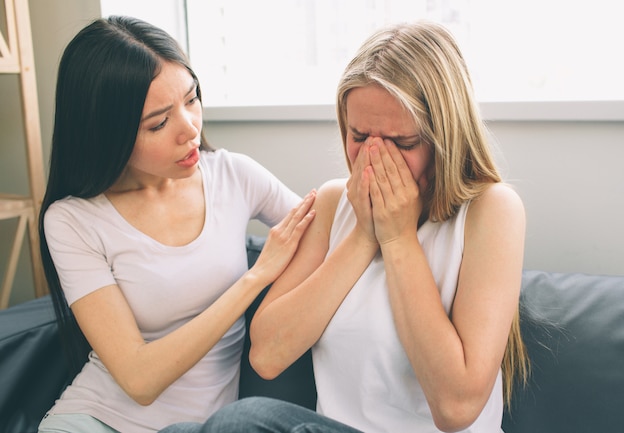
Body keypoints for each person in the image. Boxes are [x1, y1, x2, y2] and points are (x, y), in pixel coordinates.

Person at [177, 20, 530, 433]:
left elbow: (455, 408)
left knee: (243, 422)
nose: (374, 159)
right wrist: (364, 234)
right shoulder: (333, 204)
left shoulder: (493, 211)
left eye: (402, 143)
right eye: (359, 135)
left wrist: (398, 238)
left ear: (444, 138)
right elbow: (267, 356)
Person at [37, 15, 316, 433]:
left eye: (191, 99)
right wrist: (254, 279)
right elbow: (139, 379)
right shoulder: (73, 220)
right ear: (107, 133)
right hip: (94, 420)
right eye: (159, 123)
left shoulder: (233, 176)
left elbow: (328, 226)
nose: (189, 129)